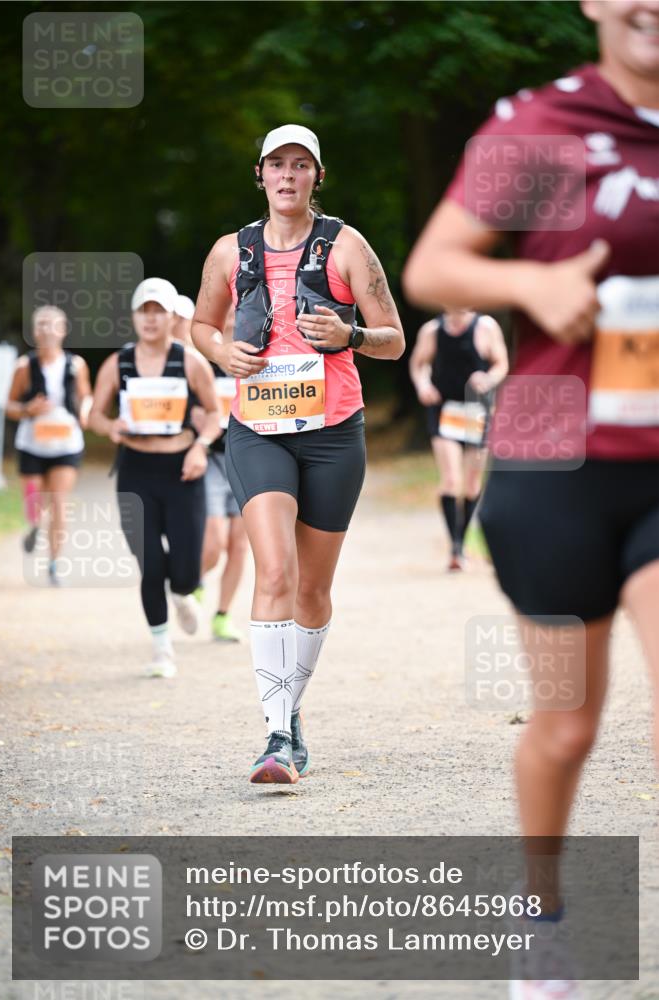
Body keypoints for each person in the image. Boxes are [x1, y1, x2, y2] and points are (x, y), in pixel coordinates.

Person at [404, 1, 658, 996]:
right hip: (558, 466)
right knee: (567, 726)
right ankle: (540, 911)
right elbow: (432, 267)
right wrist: (531, 289)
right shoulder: (550, 128)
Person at [192, 123, 404, 783]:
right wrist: (220, 349)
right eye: (276, 165)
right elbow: (200, 323)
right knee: (275, 572)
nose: (287, 176)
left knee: (312, 590)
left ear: (316, 176)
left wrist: (351, 332)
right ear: (259, 175)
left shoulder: (346, 246)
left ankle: (290, 711)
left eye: (300, 165)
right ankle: (276, 735)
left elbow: (394, 338)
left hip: (334, 431)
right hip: (256, 429)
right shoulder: (230, 252)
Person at [89, 278, 221, 678]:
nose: (150, 319)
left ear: (170, 317)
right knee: (150, 562)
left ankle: (183, 593)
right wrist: (112, 428)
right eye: (143, 311)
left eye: (158, 311)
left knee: (183, 568)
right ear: (134, 317)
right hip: (136, 471)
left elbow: (215, 414)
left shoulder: (190, 361)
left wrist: (200, 448)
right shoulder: (119, 363)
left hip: (182, 470)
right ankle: (162, 649)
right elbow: (93, 414)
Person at [409, 307, 508, 570]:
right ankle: (454, 549)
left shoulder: (486, 327)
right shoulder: (432, 330)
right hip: (444, 412)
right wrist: (423, 385)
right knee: (451, 480)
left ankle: (461, 544)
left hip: (477, 412)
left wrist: (488, 378)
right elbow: (419, 364)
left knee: (473, 485)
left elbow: (501, 363)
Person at [5, 305, 92, 585]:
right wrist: (28, 409)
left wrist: (86, 412)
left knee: (58, 503)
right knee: (33, 502)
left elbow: (86, 396)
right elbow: (9, 406)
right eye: (41, 324)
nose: (47, 330)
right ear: (34, 332)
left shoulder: (76, 365)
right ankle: (33, 526)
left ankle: (54, 564)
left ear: (64, 330)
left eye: (53, 324)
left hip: (66, 444)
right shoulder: (24, 366)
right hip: (32, 444)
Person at [190, 306, 248, 643]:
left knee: (239, 546)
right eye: (226, 311)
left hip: (247, 462)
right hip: (212, 461)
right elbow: (192, 408)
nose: (232, 317)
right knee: (213, 543)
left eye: (238, 311)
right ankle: (192, 584)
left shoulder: (257, 352)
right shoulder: (204, 363)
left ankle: (223, 616)